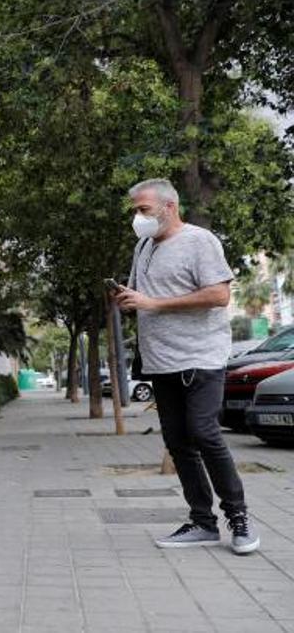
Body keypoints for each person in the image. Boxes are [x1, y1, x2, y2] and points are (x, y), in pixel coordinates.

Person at [114, 178, 258, 554]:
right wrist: (128, 300)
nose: (138, 218)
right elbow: (144, 296)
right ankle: (202, 522)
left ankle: (239, 519)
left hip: (200, 356)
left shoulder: (199, 241)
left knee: (204, 432)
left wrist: (154, 304)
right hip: (161, 361)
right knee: (177, 442)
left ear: (169, 207)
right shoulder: (143, 247)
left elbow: (219, 294)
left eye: (143, 210)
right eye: (135, 211)